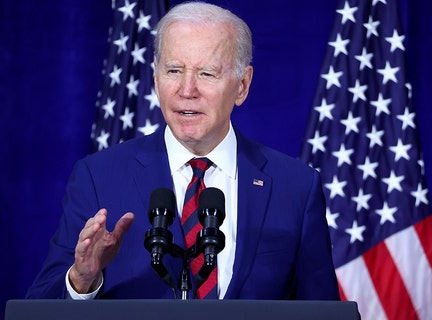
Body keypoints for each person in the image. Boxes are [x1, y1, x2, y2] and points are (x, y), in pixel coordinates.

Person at [26, 1, 339, 300]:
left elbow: (322, 311)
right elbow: (40, 307)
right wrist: (82, 281)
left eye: (206, 73)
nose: (187, 90)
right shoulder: (98, 178)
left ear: (242, 85)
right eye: (174, 70)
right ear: (155, 77)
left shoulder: (295, 187)